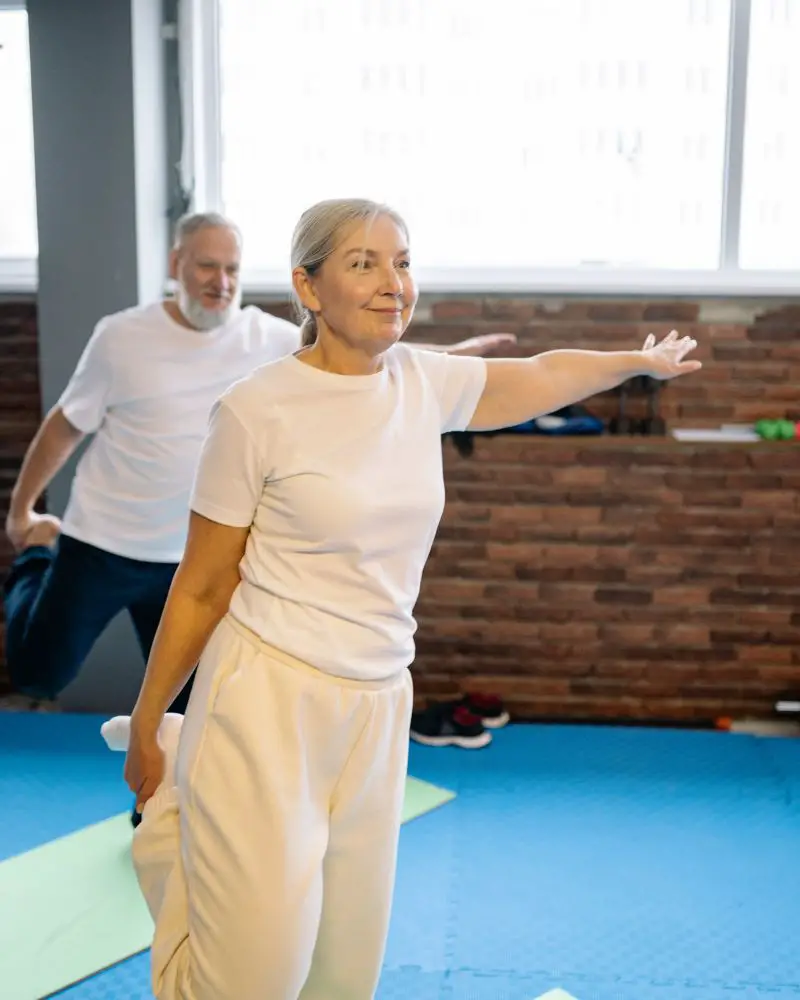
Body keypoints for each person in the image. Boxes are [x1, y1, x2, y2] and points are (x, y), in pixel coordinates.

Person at [105, 197, 701, 1000]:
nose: (394, 284)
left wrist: (633, 360)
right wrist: (146, 724)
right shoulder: (256, 410)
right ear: (308, 289)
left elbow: (539, 375)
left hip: (380, 704)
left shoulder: (423, 381)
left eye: (404, 262)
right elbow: (204, 584)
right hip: (267, 702)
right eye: (364, 263)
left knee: (345, 976)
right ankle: (180, 810)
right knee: (247, 985)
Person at [1, 211, 515, 716]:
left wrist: (456, 355)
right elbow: (65, 425)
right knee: (39, 674)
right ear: (176, 263)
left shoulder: (265, 338)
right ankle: (36, 561)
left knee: (188, 716)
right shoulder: (120, 337)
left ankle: (159, 804)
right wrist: (23, 512)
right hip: (103, 541)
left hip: (192, 557)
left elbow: (354, 348)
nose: (220, 282)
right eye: (207, 267)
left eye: (232, 270)